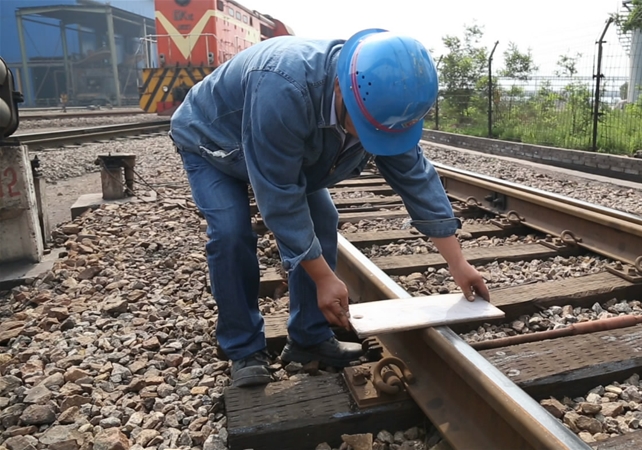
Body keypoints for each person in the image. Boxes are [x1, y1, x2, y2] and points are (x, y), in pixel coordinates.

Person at [169, 29, 491, 388]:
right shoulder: (283, 87)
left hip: (279, 141)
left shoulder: (385, 105)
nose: (373, 137)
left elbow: (416, 178)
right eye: (367, 128)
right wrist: (324, 278)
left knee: (322, 219)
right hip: (212, 141)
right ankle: (244, 349)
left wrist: (457, 262)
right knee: (231, 233)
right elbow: (279, 195)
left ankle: (308, 339)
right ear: (341, 89)